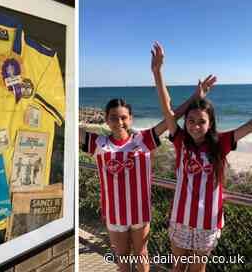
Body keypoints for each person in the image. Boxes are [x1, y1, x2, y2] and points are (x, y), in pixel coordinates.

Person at [80, 76, 215, 272]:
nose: (119, 122)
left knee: (142, 254)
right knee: (122, 258)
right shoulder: (98, 143)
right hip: (114, 213)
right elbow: (69, 125)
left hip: (140, 212)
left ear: (131, 118)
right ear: (106, 119)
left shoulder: (143, 140)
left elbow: (172, 116)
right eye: (113, 118)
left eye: (124, 117)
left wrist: (196, 97)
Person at [151, 41, 252, 272]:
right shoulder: (180, 141)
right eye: (191, 121)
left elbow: (249, 126)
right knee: (178, 268)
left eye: (202, 122)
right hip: (180, 219)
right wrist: (158, 72)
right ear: (185, 123)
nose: (196, 126)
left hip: (208, 223)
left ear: (211, 124)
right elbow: (168, 110)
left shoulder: (221, 143)